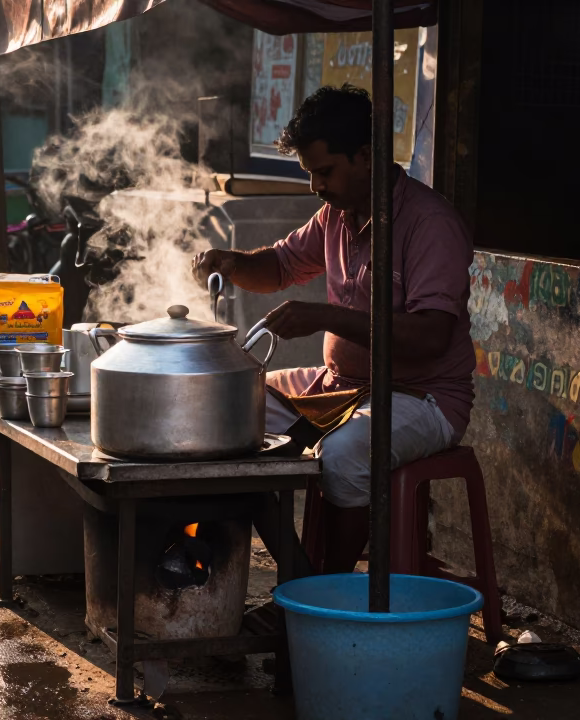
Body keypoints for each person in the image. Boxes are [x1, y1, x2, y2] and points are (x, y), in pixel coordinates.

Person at [192, 86, 475, 574]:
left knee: (343, 456)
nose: (315, 187)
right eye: (310, 174)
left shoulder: (429, 224)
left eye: (324, 172)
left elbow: (432, 338)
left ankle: (330, 587)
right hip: (338, 387)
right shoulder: (337, 216)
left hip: (423, 397)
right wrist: (231, 262)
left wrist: (324, 317)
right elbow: (279, 266)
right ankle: (295, 573)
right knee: (233, 414)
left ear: (365, 156)